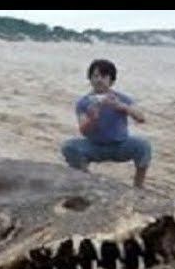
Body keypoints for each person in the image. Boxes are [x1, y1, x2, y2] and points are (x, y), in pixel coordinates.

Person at [61, 59, 151, 188]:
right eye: (95, 76)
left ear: (111, 80)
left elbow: (141, 118)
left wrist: (122, 107)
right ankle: (86, 180)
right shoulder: (84, 102)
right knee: (69, 147)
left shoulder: (122, 98)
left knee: (143, 145)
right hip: (94, 146)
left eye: (104, 76)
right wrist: (92, 119)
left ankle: (138, 186)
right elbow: (83, 130)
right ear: (90, 79)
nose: (99, 80)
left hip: (120, 144)